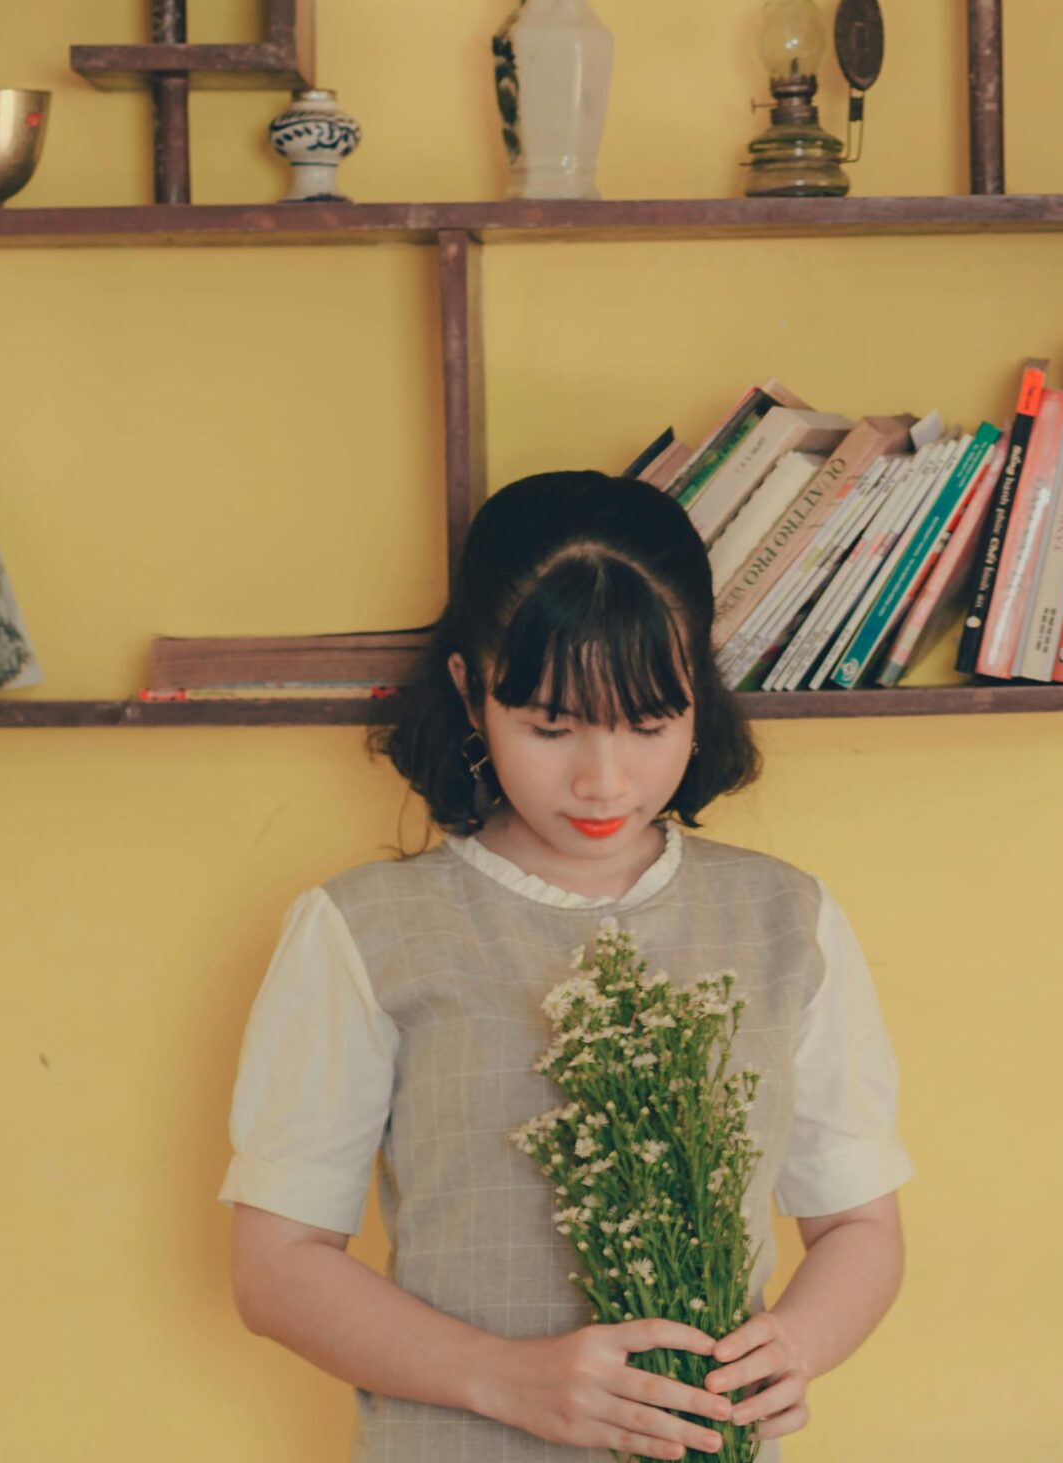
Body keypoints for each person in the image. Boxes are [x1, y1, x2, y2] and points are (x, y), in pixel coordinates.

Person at [219, 470, 914, 1462]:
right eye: (550, 727)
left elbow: (860, 1227)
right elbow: (275, 1270)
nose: (602, 780)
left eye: (648, 724)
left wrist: (794, 1347)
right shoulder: (362, 930)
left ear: (697, 698)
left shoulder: (784, 920)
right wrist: (510, 1382)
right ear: (469, 689)